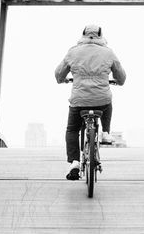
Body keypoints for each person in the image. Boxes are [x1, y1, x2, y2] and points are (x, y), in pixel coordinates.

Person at [54, 24, 126, 181]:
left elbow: (58, 74)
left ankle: (74, 162)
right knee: (107, 101)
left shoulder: (73, 52)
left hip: (79, 100)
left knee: (72, 130)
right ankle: (106, 132)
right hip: (101, 99)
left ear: (83, 35)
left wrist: (63, 80)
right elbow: (121, 76)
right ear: (101, 35)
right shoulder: (108, 52)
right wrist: (118, 82)